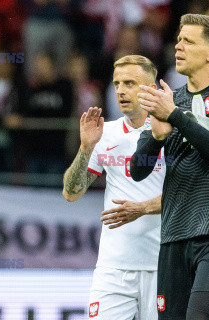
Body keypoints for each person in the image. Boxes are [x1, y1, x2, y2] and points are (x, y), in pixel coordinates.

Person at [130, 14, 209, 320]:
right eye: (178, 40)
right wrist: (156, 139)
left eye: (188, 41)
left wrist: (175, 117)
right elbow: (137, 169)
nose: (178, 46)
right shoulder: (169, 101)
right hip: (174, 236)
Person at [62, 55, 165, 320]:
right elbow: (71, 193)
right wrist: (86, 148)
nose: (120, 90)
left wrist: (142, 208)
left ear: (151, 89)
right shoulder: (104, 133)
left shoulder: (171, 133)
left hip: (163, 265)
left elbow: (191, 194)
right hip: (113, 268)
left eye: (130, 83)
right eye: (117, 83)